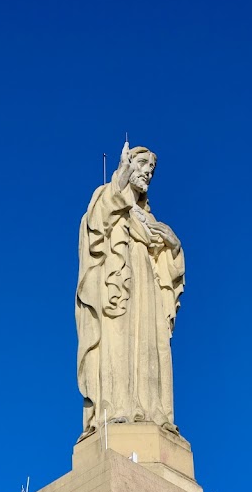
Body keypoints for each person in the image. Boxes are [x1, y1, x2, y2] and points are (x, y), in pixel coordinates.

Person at [75, 142, 185, 440]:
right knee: (118, 343)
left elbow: (171, 275)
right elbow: (96, 223)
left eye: (152, 168)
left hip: (146, 286)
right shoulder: (108, 197)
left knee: (151, 345)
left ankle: (154, 414)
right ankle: (116, 411)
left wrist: (173, 246)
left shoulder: (152, 222)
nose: (148, 172)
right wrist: (120, 176)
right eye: (142, 165)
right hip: (117, 287)